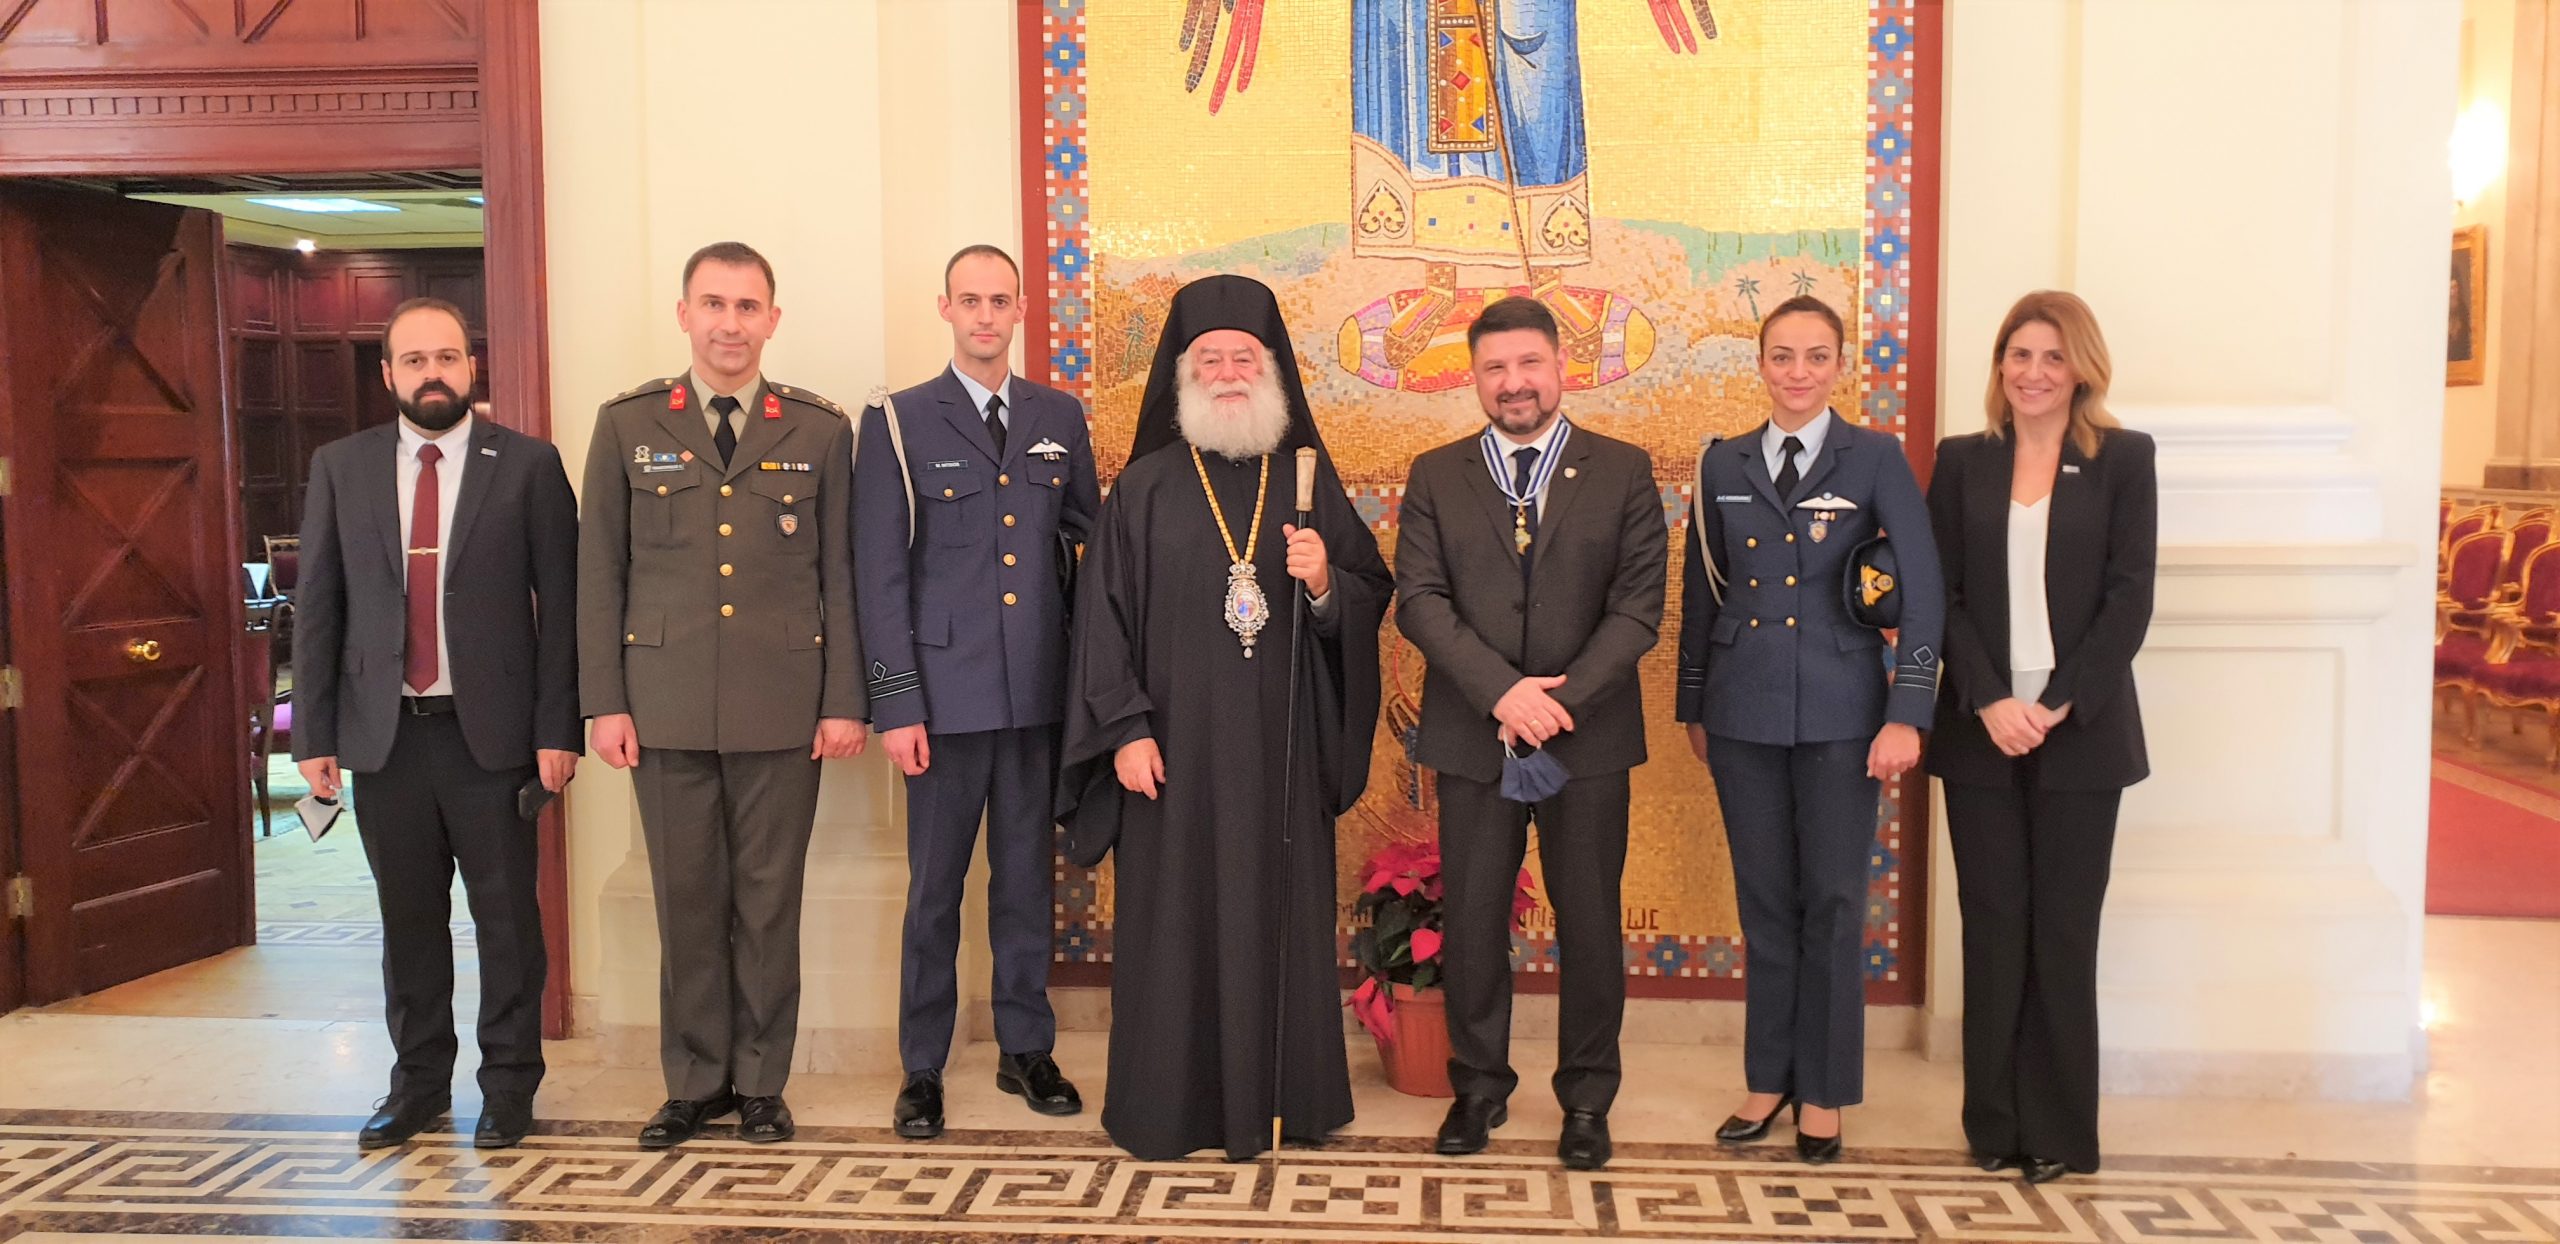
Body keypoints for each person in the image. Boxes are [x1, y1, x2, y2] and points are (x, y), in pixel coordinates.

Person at [1057, 274, 1394, 1161]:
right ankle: (1170, 1107)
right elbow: (1100, 622)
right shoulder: (1144, 489)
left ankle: (1289, 1101)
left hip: (1280, 753)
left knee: (1277, 918)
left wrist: (1324, 583)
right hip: (1170, 757)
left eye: (1245, 358)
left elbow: (1369, 591)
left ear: (1271, 371)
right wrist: (1124, 729)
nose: (1229, 373)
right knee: (1174, 928)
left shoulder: (1305, 479)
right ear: (1184, 375)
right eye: (1210, 359)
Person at [578, 241, 867, 1150]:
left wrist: (845, 699)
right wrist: (603, 702)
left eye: (747, 307)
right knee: (687, 903)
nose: (730, 324)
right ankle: (695, 1082)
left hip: (783, 705)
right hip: (662, 705)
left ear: (772, 319)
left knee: (769, 906)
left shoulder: (819, 430)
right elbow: (599, 575)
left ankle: (762, 1084)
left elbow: (842, 577)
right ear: (684, 314)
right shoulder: (627, 425)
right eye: (714, 304)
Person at [292, 297, 580, 1151]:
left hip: (492, 738)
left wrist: (558, 728)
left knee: (507, 923)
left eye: (447, 357)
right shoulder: (341, 467)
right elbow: (319, 607)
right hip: (383, 738)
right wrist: (314, 736)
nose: (432, 374)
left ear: (471, 366)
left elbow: (564, 610)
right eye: (414, 360)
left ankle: (508, 1086)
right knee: (408, 923)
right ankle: (417, 1085)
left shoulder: (527, 465)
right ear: (388, 373)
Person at [1394, 296, 1665, 1170]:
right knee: (1474, 919)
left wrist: (1556, 702)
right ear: (1474, 379)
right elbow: (1420, 602)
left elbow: (1638, 608)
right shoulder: (1436, 475)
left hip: (1589, 738)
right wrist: (1503, 694)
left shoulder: (1622, 469)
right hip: (1474, 735)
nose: (1514, 383)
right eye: (1495, 369)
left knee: (1589, 921)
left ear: (1561, 367)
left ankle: (1587, 1099)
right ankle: (1478, 1088)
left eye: (1529, 364)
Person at [1674, 294, 1944, 1164]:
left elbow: (1924, 593)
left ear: (1840, 365)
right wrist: (1693, 705)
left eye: (1816, 356)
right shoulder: (1721, 462)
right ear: (1760, 363)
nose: (1798, 372)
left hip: (1843, 714)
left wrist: (1908, 712)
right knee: (1764, 906)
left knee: (1831, 903)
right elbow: (1702, 593)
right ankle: (1769, 1079)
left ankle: (1823, 1090)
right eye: (1783, 356)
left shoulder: (1876, 457)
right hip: (1742, 711)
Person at [854, 244, 1100, 1139]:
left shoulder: (1058, 415)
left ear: (1021, 309)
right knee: (935, 892)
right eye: (970, 301)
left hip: (1034, 694)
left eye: (1000, 301)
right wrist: (896, 704)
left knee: (1026, 882)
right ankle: (922, 1065)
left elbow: (1091, 539)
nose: (985, 316)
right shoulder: (896, 420)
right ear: (946, 309)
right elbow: (879, 573)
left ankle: (1025, 1048)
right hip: (942, 703)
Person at [1927, 290, 2156, 1184]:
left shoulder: (2124, 459)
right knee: (1992, 927)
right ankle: (1993, 1123)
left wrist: (2055, 702)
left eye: (2053, 357)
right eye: (2019, 355)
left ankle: (2058, 1129)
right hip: (1980, 729)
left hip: (2080, 731)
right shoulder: (1962, 461)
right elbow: (1939, 594)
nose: (2034, 372)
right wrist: (1989, 699)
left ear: (2082, 369)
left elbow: (2129, 597)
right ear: (2000, 366)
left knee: (2062, 931)